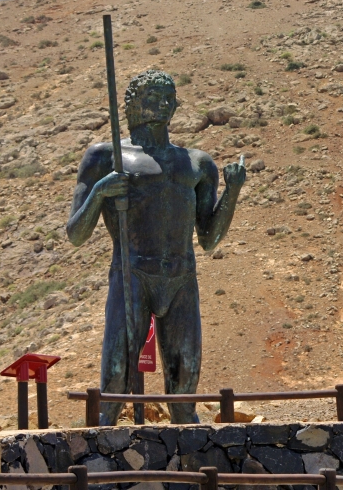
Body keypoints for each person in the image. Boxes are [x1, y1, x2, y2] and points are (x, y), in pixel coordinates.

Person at [66, 69, 245, 424]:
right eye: (152, 96)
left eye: (168, 97)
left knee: (184, 386)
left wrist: (233, 192)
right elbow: (75, 233)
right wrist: (100, 191)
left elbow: (209, 238)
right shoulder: (105, 156)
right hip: (132, 274)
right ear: (133, 104)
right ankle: (100, 445)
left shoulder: (197, 163)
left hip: (181, 277)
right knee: (115, 380)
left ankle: (192, 452)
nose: (162, 103)